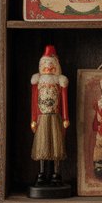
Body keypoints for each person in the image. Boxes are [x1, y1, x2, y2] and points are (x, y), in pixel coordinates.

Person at [30, 46, 70, 190]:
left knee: (56, 146)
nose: (48, 68)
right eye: (45, 65)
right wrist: (33, 119)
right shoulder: (38, 83)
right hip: (42, 118)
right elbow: (34, 103)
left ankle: (56, 174)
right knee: (42, 145)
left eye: (51, 65)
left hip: (55, 118)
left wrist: (66, 117)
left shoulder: (59, 83)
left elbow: (64, 101)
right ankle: (41, 174)